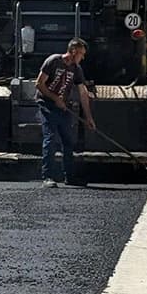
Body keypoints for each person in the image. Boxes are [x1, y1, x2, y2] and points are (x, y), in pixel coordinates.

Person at [35, 38, 96, 188]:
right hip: (47, 104)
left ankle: (69, 177)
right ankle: (47, 177)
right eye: (81, 54)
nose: (83, 57)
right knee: (50, 138)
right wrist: (55, 98)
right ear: (73, 51)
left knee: (68, 141)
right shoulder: (53, 61)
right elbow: (39, 84)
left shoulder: (76, 69)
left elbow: (83, 93)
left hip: (62, 107)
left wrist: (88, 118)